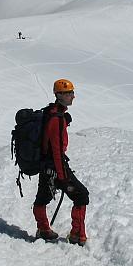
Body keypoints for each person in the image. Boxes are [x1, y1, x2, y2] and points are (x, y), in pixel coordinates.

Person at [33, 78, 89, 245]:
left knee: (42, 199)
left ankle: (43, 229)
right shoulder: (57, 118)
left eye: (72, 92)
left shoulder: (51, 112)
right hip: (56, 167)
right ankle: (77, 234)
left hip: (46, 166)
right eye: (69, 93)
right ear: (59, 95)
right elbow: (57, 150)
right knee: (81, 195)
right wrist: (63, 177)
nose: (73, 96)